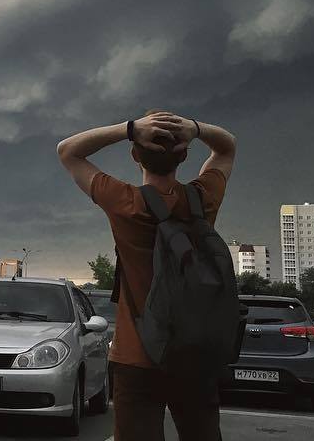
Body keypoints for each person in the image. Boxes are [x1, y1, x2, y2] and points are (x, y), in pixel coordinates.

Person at [56, 110, 236, 441]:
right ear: (184, 154)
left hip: (137, 356)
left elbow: (68, 150)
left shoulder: (126, 203)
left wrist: (129, 129)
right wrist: (195, 128)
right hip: (195, 355)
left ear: (134, 154)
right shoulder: (202, 198)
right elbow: (226, 148)